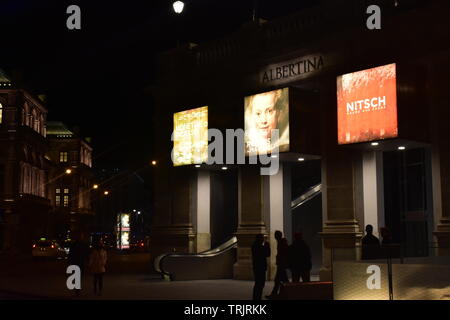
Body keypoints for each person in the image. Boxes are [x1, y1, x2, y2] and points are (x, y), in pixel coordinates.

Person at [266, 231, 289, 299]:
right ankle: (281, 293)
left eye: (276, 235)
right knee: (282, 280)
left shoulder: (281, 243)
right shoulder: (281, 242)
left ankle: (276, 294)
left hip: (281, 264)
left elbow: (283, 254)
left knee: (278, 280)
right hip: (281, 264)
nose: (275, 236)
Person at [68, 232, 90, 296]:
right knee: (78, 276)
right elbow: (86, 254)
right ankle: (77, 290)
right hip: (78, 262)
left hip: (78, 262)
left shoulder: (76, 244)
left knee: (78, 276)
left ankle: (77, 290)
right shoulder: (81, 245)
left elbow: (86, 254)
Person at [251, 234, 270, 300]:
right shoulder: (259, 247)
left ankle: (256, 297)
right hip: (260, 267)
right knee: (260, 283)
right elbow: (267, 253)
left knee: (258, 283)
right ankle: (257, 297)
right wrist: (267, 244)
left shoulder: (254, 246)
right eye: (262, 238)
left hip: (257, 267)